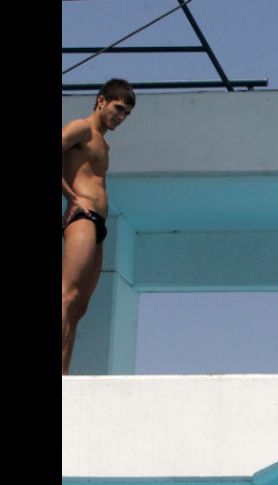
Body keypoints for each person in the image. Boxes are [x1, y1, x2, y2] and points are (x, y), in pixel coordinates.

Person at [61, 78, 135, 375]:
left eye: (126, 114)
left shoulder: (102, 142)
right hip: (83, 217)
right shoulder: (81, 128)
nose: (120, 117)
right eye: (118, 109)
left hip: (98, 223)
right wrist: (71, 197)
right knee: (67, 295)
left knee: (79, 305)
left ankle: (64, 372)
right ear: (101, 100)